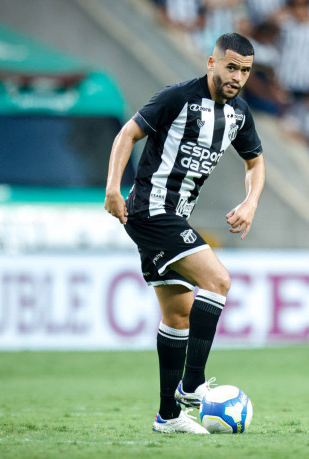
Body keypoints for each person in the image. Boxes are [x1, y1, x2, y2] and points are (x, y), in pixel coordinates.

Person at [103, 33, 266, 434]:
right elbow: (128, 134)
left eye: (245, 71)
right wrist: (111, 187)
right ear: (211, 63)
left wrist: (251, 202)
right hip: (151, 210)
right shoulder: (177, 98)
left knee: (178, 315)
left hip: (174, 216)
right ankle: (192, 387)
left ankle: (168, 416)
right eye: (230, 67)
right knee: (218, 280)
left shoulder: (239, 114)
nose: (237, 77)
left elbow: (256, 162)